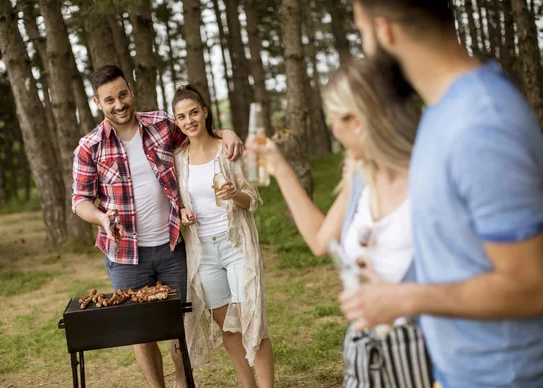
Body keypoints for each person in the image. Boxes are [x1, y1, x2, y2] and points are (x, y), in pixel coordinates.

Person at [339, 0, 543, 387]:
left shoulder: (481, 124)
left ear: (384, 30)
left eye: (361, 31)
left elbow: (532, 287)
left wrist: (407, 298)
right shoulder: (443, 108)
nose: (365, 49)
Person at [248, 58, 429, 386]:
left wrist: (399, 297)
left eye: (334, 117)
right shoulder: (360, 175)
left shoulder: (429, 180)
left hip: (423, 355)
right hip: (364, 353)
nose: (332, 126)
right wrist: (278, 166)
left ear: (357, 120)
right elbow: (320, 240)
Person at [71, 65, 244, 388]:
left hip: (172, 246)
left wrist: (226, 133)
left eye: (123, 95)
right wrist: (101, 218)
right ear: (98, 103)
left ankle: (182, 383)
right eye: (110, 100)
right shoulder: (89, 146)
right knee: (142, 332)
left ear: (131, 91)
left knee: (181, 324)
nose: (119, 104)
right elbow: (80, 200)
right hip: (125, 255)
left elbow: (198, 136)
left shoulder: (162, 124)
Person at [171, 84, 274, 388]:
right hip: (203, 252)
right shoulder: (178, 159)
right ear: (176, 122)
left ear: (205, 112)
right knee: (228, 329)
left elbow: (253, 200)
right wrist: (182, 213)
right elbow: (176, 202)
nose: (189, 120)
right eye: (181, 117)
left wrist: (235, 194)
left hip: (235, 245)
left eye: (193, 113)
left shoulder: (227, 151)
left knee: (251, 320)